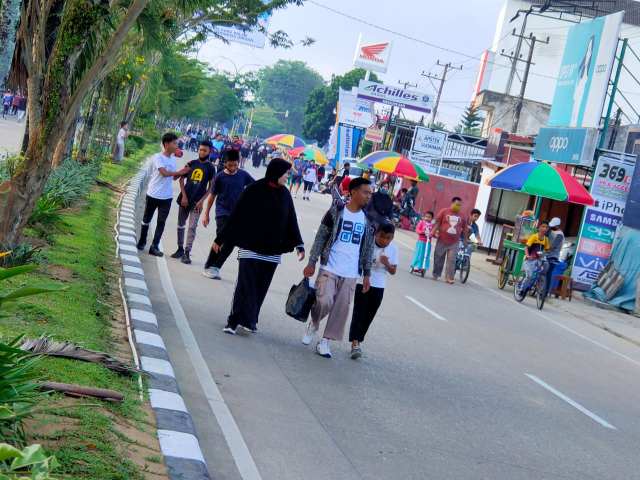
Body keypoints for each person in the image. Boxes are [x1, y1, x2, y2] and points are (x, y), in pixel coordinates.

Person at [215, 159, 305, 334]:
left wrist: (299, 245)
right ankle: (233, 321)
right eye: (286, 173)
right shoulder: (254, 189)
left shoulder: (285, 194)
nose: (288, 176)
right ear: (277, 172)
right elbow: (236, 215)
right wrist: (220, 239)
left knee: (260, 288)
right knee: (244, 286)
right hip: (250, 248)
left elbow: (291, 220)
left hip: (272, 251)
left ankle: (250, 320)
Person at [302, 177, 375, 359]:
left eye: (370, 193)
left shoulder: (368, 220)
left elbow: (368, 249)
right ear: (353, 192)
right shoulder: (336, 212)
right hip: (330, 266)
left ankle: (325, 342)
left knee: (340, 310)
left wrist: (367, 273)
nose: (368, 196)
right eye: (366, 192)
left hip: (351, 272)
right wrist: (312, 261)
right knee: (323, 301)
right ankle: (314, 323)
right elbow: (321, 236)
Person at [202, 150, 254, 279]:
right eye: (230, 165)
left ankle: (213, 266)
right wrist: (206, 214)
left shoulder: (243, 175)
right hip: (222, 213)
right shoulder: (219, 177)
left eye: (235, 165)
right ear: (225, 163)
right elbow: (211, 197)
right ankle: (211, 266)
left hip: (237, 215)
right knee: (223, 239)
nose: (233, 168)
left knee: (231, 242)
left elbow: (255, 187)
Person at [137, 132, 191, 256]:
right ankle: (142, 241)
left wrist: (183, 172)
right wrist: (179, 171)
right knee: (146, 219)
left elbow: (172, 177)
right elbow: (164, 173)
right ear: (166, 144)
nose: (177, 145)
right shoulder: (158, 157)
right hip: (153, 194)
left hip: (167, 196)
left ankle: (154, 246)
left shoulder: (172, 159)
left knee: (161, 222)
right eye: (174, 143)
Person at [348, 222, 397, 359]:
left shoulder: (393, 249)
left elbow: (393, 271)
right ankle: (355, 343)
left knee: (369, 315)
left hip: (379, 285)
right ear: (376, 234)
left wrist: (387, 263)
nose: (385, 240)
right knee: (359, 312)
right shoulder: (368, 244)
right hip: (362, 281)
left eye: (388, 238)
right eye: (382, 236)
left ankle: (359, 339)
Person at [170, 140, 216, 264]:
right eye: (200, 149)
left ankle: (186, 252)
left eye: (204, 150)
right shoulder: (191, 163)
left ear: (209, 151)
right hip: (184, 199)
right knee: (180, 224)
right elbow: (180, 179)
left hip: (197, 202)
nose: (201, 152)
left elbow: (211, 187)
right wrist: (184, 196)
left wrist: (202, 201)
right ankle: (179, 248)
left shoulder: (211, 168)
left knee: (192, 227)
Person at [433, 197, 468, 284]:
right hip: (442, 239)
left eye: (460, 205)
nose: (458, 206)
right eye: (457, 204)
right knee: (438, 257)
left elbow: (465, 229)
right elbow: (437, 223)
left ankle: (449, 277)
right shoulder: (444, 211)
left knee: (452, 260)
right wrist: (433, 232)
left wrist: (465, 240)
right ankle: (436, 274)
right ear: (452, 203)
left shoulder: (462, 215)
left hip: (454, 242)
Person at [521, 220, 551, 292]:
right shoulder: (534, 237)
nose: (544, 229)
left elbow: (547, 250)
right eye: (543, 227)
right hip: (530, 260)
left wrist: (544, 254)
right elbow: (526, 247)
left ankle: (539, 290)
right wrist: (528, 256)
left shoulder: (546, 239)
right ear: (539, 228)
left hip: (539, 260)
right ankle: (522, 289)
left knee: (544, 272)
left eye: (546, 227)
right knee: (530, 276)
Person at [546, 217, 565, 295]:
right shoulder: (552, 231)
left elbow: (553, 246)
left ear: (557, 226)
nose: (552, 226)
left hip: (553, 256)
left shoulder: (560, 235)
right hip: (547, 254)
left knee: (548, 273)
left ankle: (546, 291)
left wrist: (546, 249)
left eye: (553, 226)